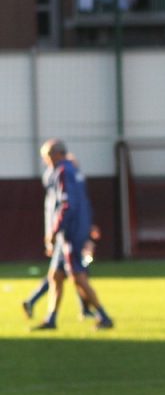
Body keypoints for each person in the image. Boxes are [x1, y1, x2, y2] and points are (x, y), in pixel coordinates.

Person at [32, 140, 114, 331]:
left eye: (47, 156)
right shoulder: (74, 171)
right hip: (77, 228)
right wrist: (89, 224)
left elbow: (67, 205)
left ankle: (104, 317)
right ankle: (51, 318)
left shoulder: (62, 172)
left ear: (56, 154)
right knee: (56, 276)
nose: (46, 161)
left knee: (77, 275)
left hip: (70, 232)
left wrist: (53, 231)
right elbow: (82, 201)